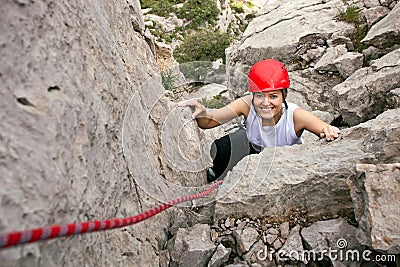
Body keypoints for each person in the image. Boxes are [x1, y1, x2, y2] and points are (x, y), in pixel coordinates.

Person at [179, 59, 340, 182]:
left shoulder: (295, 116)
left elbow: (323, 127)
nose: (265, 102)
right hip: (254, 149)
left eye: (273, 96)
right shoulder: (247, 104)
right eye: (259, 96)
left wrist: (328, 129)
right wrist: (202, 112)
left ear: (285, 95)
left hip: (283, 160)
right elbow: (210, 121)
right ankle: (216, 179)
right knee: (222, 147)